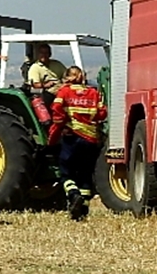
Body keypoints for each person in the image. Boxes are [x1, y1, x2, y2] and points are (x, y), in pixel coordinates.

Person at [49, 66, 107, 221]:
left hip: (72, 138)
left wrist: (61, 125)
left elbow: (56, 109)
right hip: (90, 140)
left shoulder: (65, 92)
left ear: (68, 77)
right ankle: (83, 211)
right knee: (85, 175)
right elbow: (102, 113)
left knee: (66, 173)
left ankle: (74, 196)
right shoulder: (94, 93)